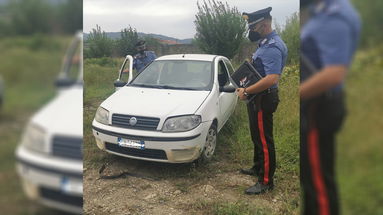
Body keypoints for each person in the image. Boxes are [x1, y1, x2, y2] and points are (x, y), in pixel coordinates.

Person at [300, 0, 360, 214]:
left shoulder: (335, 15)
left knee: (319, 185)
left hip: (319, 106)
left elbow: (334, 73)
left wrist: (297, 93)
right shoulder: (323, 11)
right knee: (312, 178)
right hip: (316, 104)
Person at [236, 7, 288, 195]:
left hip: (263, 98)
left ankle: (266, 181)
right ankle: (258, 167)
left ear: (264, 24)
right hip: (257, 97)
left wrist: (246, 90)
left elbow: (272, 78)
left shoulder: (273, 46)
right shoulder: (264, 44)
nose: (251, 31)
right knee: (257, 136)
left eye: (254, 27)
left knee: (265, 140)